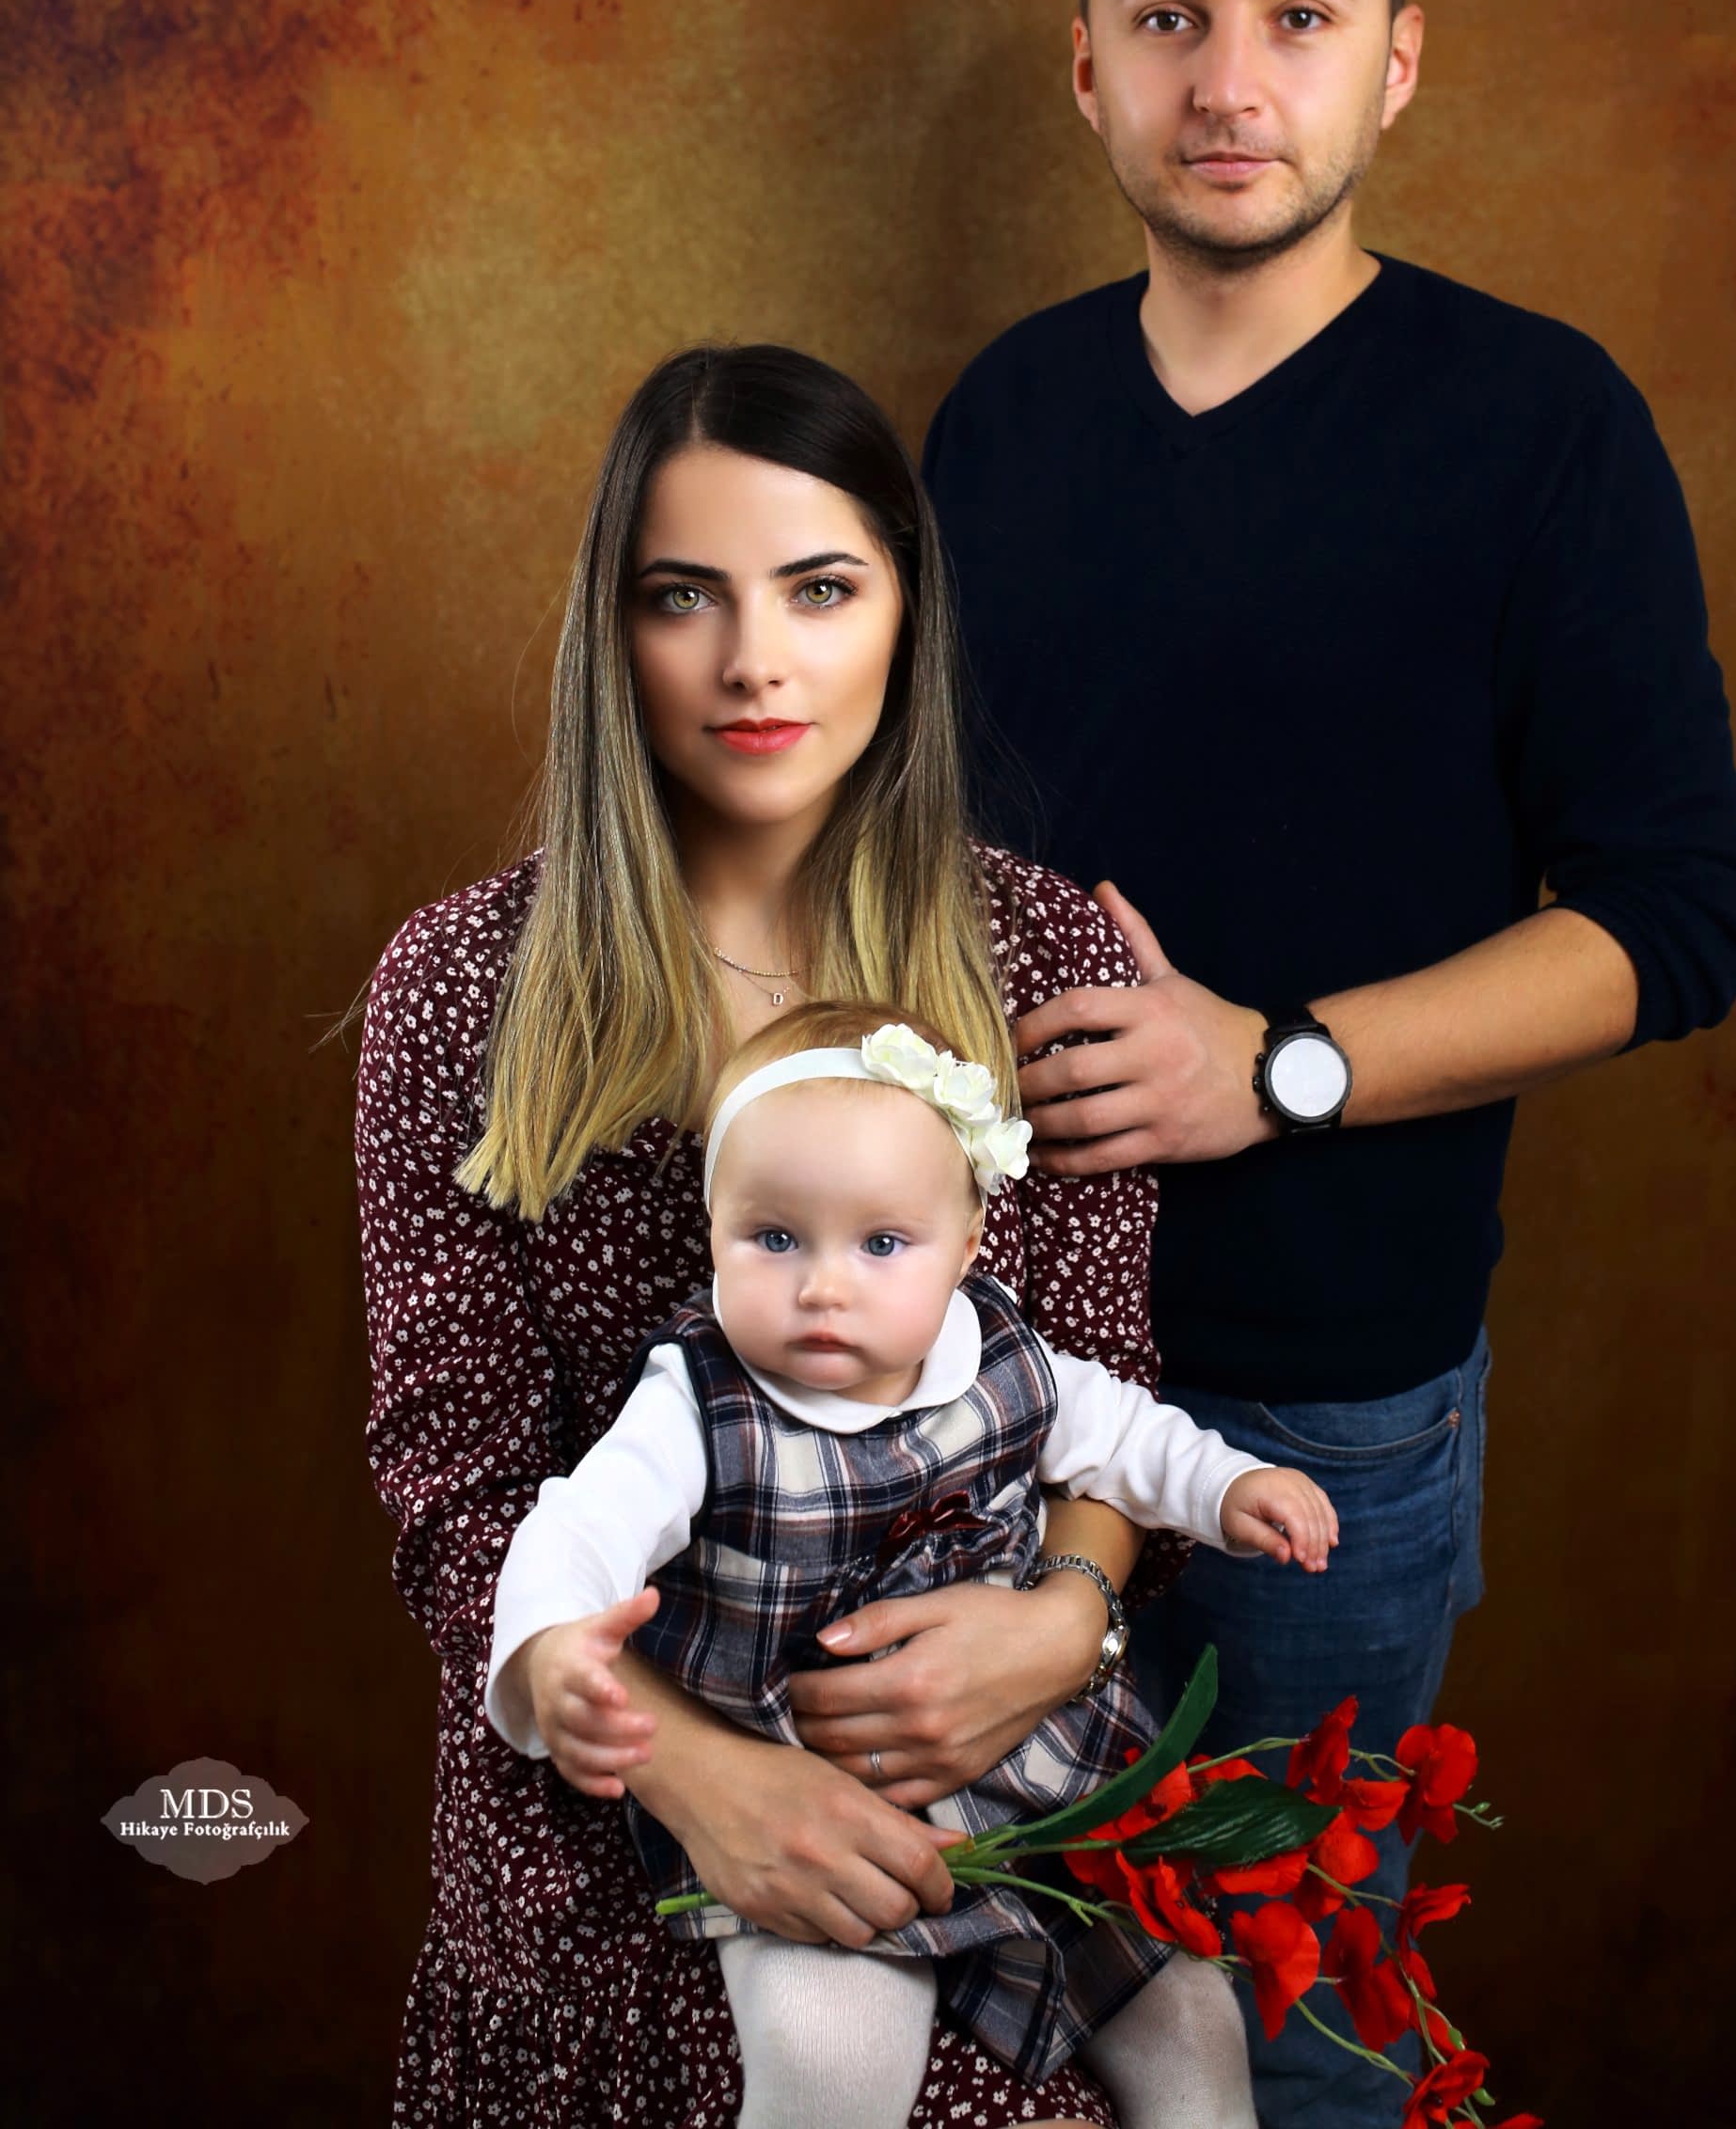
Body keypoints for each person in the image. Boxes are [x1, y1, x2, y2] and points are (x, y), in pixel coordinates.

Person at [921, 0, 1736, 2128]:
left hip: (1321, 1411)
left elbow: (1674, 917)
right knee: (977, 2024)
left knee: (1288, 2044)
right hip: (974, 1381)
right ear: (1083, 66)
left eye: (1294, 16)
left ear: (1391, 60)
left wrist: (1268, 1064)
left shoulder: (1536, 425)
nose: (1227, 79)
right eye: (1164, 18)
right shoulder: (997, 418)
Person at [356, 340, 1253, 2128]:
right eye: (682, 596)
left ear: (904, 612)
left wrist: (1062, 1620)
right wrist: (701, 1777)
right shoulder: (462, 988)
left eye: (819, 590)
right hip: (606, 1833)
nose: (753, 660)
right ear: (612, 633)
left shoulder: (1036, 956)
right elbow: (455, 1492)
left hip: (967, 1816)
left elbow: (1096, 1390)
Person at [482, 1000, 1338, 2129]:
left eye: (881, 1244)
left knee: (1191, 2021)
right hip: (811, 1800)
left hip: (1028, 1764)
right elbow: (571, 1533)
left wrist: (1230, 1488)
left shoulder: (998, 1352)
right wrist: (552, 1653)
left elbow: (1128, 1440)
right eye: (773, 1238)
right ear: (711, 1224)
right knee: (833, 2058)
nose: (822, 1287)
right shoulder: (696, 1405)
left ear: (968, 1239)